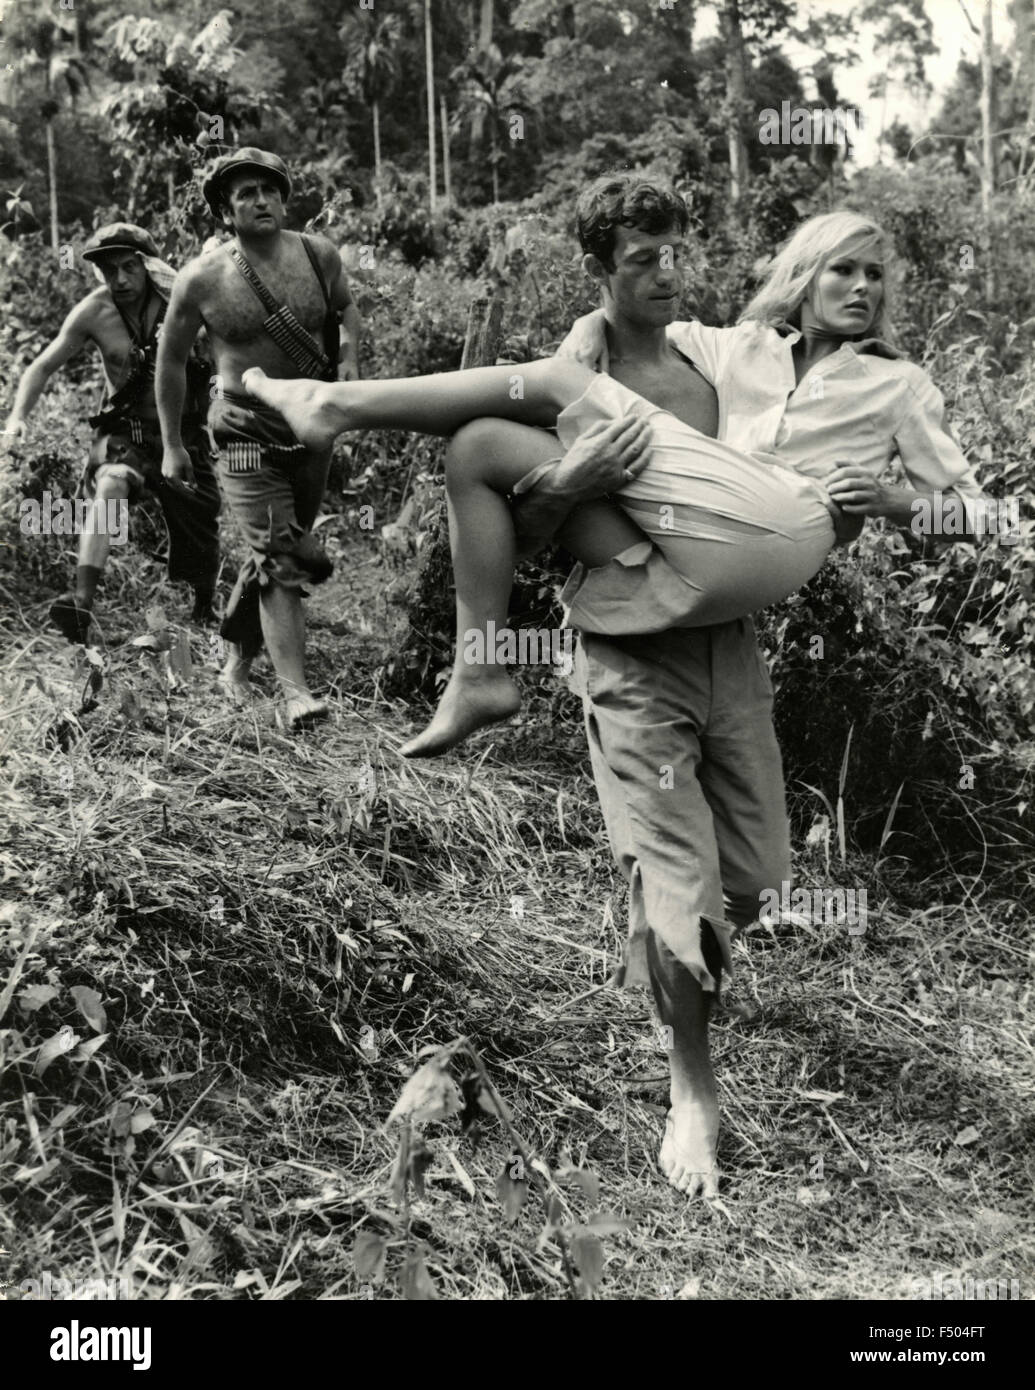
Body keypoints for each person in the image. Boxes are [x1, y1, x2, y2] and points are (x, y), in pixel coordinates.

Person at [240, 182, 985, 1197]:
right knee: (485, 442)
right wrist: (573, 475)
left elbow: (971, 516)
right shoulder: (732, 352)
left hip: (733, 618)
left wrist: (893, 500)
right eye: (837, 269)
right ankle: (692, 1091)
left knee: (761, 881)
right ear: (800, 282)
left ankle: (341, 421)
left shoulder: (892, 384)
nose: (858, 287)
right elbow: (541, 485)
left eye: (874, 273)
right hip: (635, 639)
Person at [156, 148, 362, 729]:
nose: (260, 200)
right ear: (226, 210)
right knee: (282, 551)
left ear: (283, 198)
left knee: (281, 546)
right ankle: (296, 693)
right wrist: (173, 444)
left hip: (312, 421)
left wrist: (348, 359)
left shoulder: (318, 255)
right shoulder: (203, 278)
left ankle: (235, 654)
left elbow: (348, 311)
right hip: (243, 424)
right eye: (244, 193)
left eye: (268, 189)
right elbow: (171, 362)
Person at [3, 223, 221, 643]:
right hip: (126, 431)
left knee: (200, 521)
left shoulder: (182, 302)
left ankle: (204, 606)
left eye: (128, 268)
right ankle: (81, 604)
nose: (119, 280)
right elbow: (41, 367)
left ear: (148, 266)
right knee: (111, 484)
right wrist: (17, 419)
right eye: (108, 270)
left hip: (182, 432)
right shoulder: (94, 311)